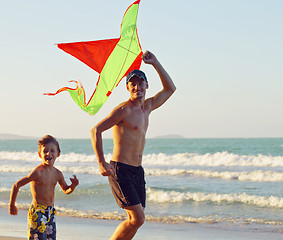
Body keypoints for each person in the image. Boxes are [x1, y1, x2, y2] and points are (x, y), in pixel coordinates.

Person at [90, 50, 176, 240]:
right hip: (120, 170)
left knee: (135, 220)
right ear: (128, 88)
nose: (137, 87)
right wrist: (101, 162)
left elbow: (170, 89)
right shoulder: (123, 110)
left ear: (147, 85)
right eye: (133, 84)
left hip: (137, 171)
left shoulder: (149, 106)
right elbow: (95, 131)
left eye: (140, 83)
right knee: (137, 219)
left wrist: (155, 63)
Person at [9, 135, 79, 240]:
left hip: (51, 212)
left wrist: (73, 186)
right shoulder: (38, 172)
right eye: (45, 151)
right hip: (38, 211)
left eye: (52, 151)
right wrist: (12, 205)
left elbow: (66, 190)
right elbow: (16, 185)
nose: (48, 154)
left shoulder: (58, 174)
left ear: (58, 154)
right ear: (39, 155)